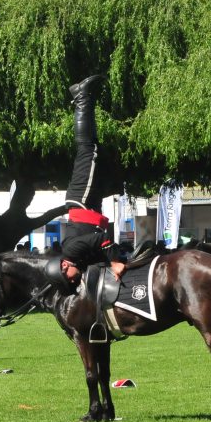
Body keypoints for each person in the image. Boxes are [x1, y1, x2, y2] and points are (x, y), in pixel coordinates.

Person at [58, 75, 125, 285]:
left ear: (64, 266)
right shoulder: (77, 258)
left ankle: (81, 97)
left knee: (88, 148)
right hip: (87, 205)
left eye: (67, 278)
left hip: (82, 200)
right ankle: (83, 96)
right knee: (92, 147)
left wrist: (115, 261)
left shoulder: (70, 251)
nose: (70, 281)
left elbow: (99, 240)